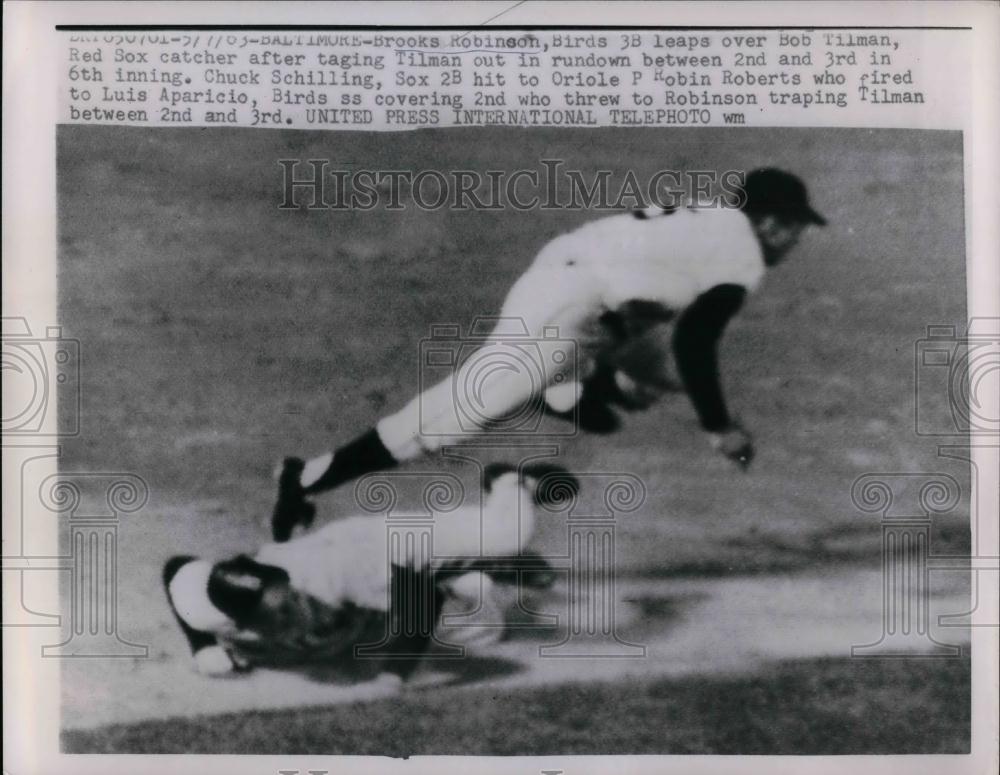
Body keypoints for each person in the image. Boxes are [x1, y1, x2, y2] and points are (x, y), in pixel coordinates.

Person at [271, 167, 826, 542]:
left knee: (672, 373)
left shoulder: (709, 220)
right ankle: (305, 479)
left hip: (582, 292)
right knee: (454, 420)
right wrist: (718, 427)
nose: (795, 240)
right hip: (568, 305)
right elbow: (696, 339)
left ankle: (578, 388)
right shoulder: (742, 252)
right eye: (794, 228)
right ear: (769, 222)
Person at [164, 463, 573, 679]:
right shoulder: (211, 609)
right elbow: (176, 568)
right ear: (243, 620)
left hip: (381, 545)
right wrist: (202, 646)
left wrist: (394, 676)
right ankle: (479, 575)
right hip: (350, 575)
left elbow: (422, 597)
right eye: (281, 614)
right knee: (488, 627)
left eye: (290, 603)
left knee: (507, 536)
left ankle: (510, 485)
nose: (295, 610)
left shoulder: (336, 575)